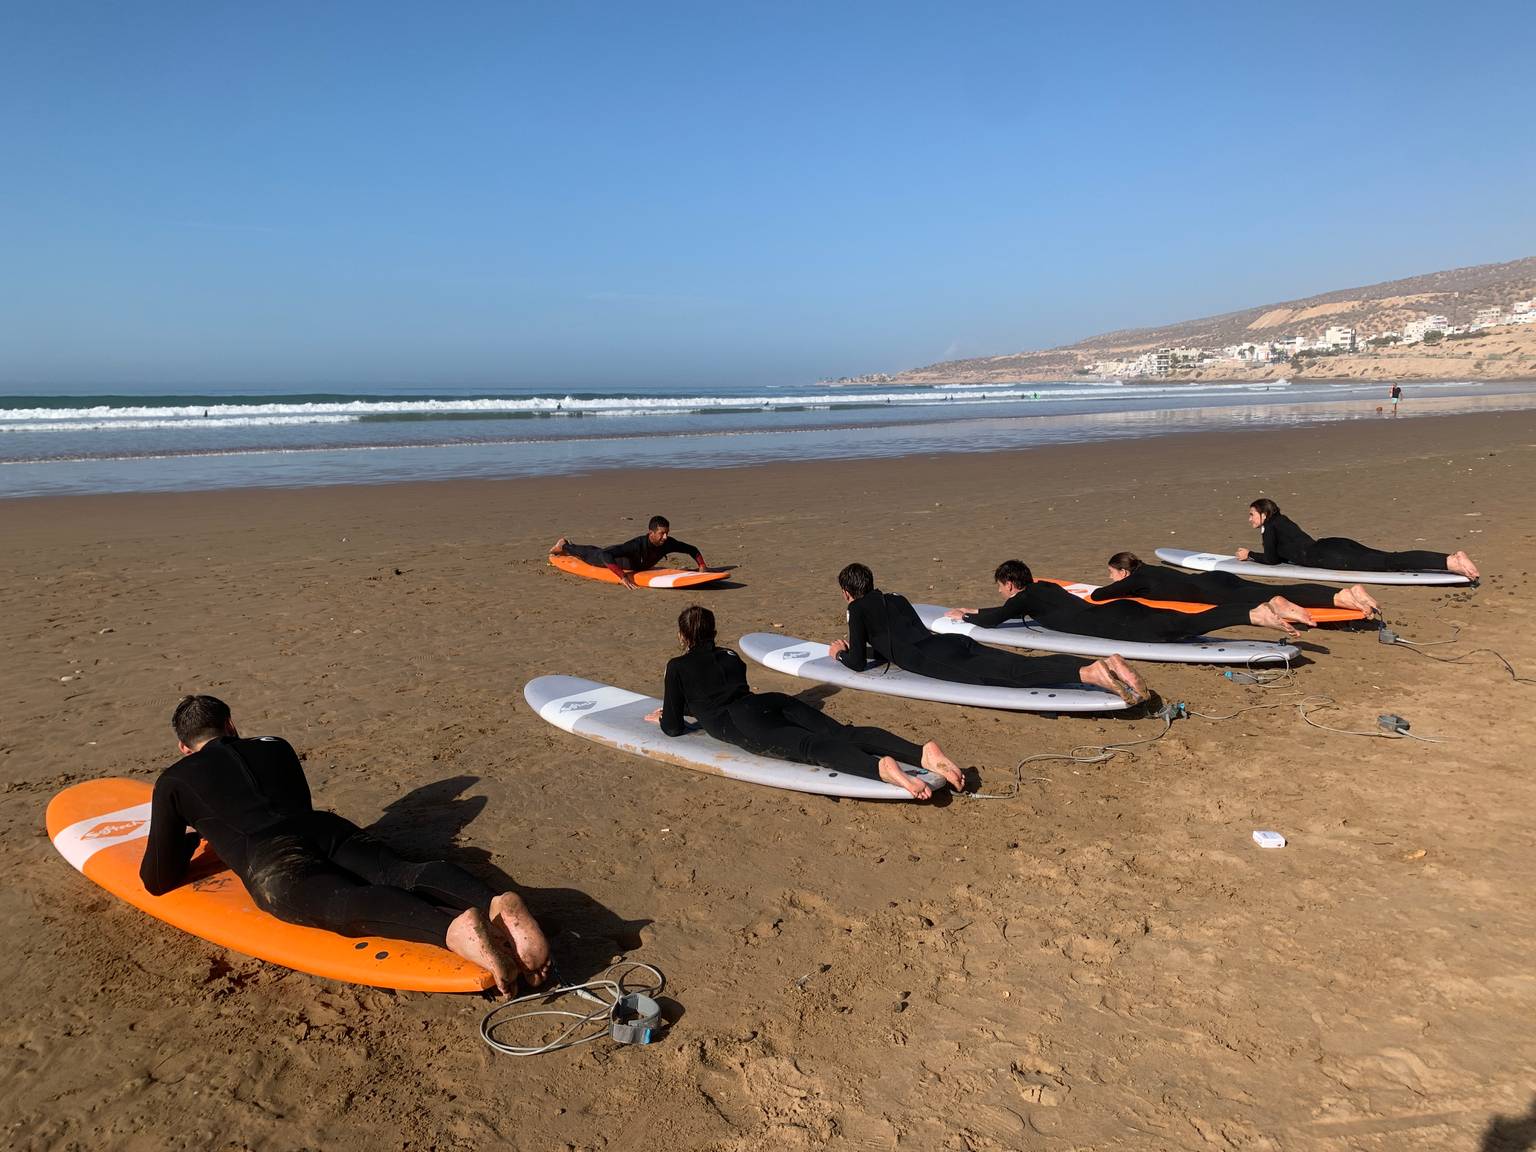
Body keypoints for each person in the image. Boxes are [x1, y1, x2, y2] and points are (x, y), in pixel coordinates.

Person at [140, 695, 549, 995]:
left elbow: (157, 878)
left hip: (271, 860)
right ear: (230, 724)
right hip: (325, 829)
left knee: (343, 902)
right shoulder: (275, 746)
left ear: (183, 747)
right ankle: (494, 901)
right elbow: (298, 803)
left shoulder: (175, 780)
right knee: (403, 871)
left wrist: (191, 839)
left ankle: (452, 929)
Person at [643, 606, 964, 799]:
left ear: (683, 637)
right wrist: (690, 708)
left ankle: (878, 768)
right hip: (768, 703)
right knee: (843, 732)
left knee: (811, 747)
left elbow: (672, 728)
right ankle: (921, 752)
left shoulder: (678, 666)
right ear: (714, 632)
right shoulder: (729, 657)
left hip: (742, 722)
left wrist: (668, 716)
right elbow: (718, 691)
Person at [829, 563, 1150, 705]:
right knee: (1015, 664)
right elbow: (903, 636)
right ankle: (1105, 664)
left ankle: (1090, 672)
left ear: (847, 592)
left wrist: (840, 653)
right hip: (951, 643)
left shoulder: (857, 609)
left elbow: (857, 663)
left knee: (1013, 674)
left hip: (938, 658)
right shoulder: (895, 599)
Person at [944, 559, 1312, 642]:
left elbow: (997, 618)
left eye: (999, 585)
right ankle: (1254, 612)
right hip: (1116, 613)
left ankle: (1254, 615)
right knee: (1178, 620)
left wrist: (965, 617)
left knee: (1182, 627)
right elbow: (1002, 611)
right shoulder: (1045, 589)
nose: (1000, 592)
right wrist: (976, 610)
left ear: (1010, 583)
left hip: (1113, 624)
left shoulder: (1022, 599)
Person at [1235, 498, 1479, 579]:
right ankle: (1450, 559)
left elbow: (1271, 560)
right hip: (1334, 544)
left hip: (1329, 555)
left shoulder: (1269, 528)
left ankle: (1451, 562)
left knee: (1389, 564)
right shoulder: (1283, 520)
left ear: (1264, 514)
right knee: (1388, 558)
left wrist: (1249, 555)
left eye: (1251, 515)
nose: (1249, 520)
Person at [1090, 551, 1381, 618]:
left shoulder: (1133, 581)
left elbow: (1099, 595)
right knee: (1274, 590)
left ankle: (1343, 597)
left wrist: (1115, 587)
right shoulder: (1148, 569)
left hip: (1214, 592)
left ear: (1123, 573)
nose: (1110, 578)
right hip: (1217, 579)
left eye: (1112, 573)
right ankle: (1343, 593)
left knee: (1273, 595)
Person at [550, 515, 711, 590]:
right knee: (591, 555)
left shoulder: (668, 543)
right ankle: (565, 546)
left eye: (667, 532)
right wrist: (622, 576)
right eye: (662, 533)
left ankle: (568, 545)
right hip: (614, 561)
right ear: (651, 533)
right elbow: (607, 556)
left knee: (597, 550)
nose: (665, 536)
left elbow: (692, 549)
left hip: (633, 564)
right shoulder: (637, 545)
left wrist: (702, 566)